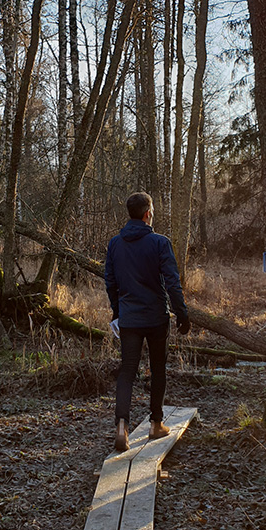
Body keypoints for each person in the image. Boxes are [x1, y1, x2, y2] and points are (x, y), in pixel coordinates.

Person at [104, 192, 190, 451]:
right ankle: (155, 424)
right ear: (147, 214)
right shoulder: (159, 243)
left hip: (129, 318)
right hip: (155, 318)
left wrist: (117, 312)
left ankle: (122, 426)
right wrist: (182, 314)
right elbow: (172, 282)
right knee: (158, 368)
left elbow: (110, 282)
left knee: (127, 371)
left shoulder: (115, 244)